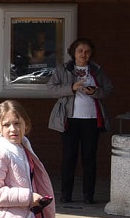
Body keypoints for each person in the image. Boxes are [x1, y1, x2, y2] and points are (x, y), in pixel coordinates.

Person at [48, 38, 114, 205]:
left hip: (92, 120)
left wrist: (94, 92)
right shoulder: (63, 69)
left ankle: (88, 196)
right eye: (80, 51)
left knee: (89, 158)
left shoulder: (97, 70)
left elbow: (108, 90)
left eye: (87, 52)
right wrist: (72, 88)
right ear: (74, 53)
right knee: (69, 157)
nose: (84, 54)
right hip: (69, 119)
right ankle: (66, 195)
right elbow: (51, 89)